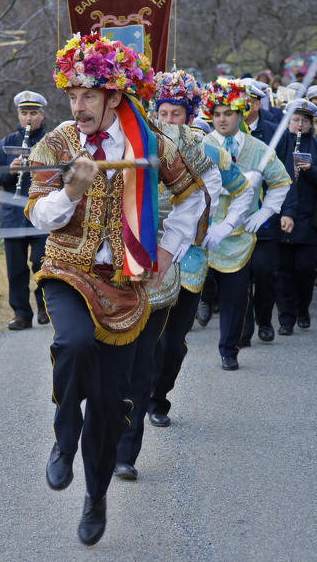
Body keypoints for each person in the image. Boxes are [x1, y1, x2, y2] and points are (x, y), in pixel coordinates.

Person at [24, 33, 207, 546]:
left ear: (114, 95)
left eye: (88, 95)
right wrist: (71, 189)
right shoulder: (57, 143)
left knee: (108, 406)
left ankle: (96, 495)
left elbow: (193, 197)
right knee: (74, 343)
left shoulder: (150, 142)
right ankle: (63, 435)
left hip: (127, 284)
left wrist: (166, 253)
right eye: (72, 95)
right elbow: (39, 215)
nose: (77, 106)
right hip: (67, 271)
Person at [114, 70, 224, 479]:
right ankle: (104, 433)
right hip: (114, 261)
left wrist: (179, 236)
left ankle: (143, 419)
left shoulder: (189, 144)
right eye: (162, 110)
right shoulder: (92, 136)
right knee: (108, 357)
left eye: (176, 112)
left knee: (164, 347)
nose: (167, 118)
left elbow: (210, 186)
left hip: (174, 255)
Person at [200, 78, 291, 370]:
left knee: (236, 296)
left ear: (240, 114)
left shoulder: (259, 148)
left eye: (228, 113)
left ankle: (229, 349)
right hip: (200, 236)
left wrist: (264, 213)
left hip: (240, 237)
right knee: (191, 296)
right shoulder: (201, 146)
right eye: (217, 114)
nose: (222, 119)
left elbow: (280, 182)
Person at [239, 80, 297, 345]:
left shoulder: (277, 134)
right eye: (239, 100)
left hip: (266, 217)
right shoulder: (229, 132)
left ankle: (264, 318)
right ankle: (244, 327)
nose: (244, 106)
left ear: (258, 103)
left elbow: (286, 178)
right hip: (235, 220)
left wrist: (288, 212)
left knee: (264, 272)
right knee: (239, 276)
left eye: (249, 101)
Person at [0, 90, 49, 330]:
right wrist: (10, 171)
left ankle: (45, 306)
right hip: (13, 216)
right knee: (16, 269)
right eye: (24, 113)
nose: (29, 118)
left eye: (34, 113)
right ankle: (22, 314)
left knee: (41, 262)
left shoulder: (51, 141)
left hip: (42, 213)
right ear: (19, 115)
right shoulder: (6, 143)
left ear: (42, 115)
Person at [276, 99, 317, 334]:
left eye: (304, 121)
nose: (299, 124)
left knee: (305, 269)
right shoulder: (281, 143)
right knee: (283, 270)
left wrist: (309, 170)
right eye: (295, 120)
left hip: (309, 218)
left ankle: (303, 308)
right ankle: (286, 318)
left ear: (311, 124)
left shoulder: (315, 144)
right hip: (283, 214)